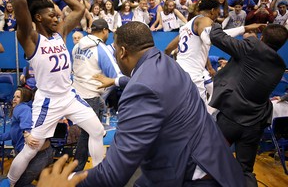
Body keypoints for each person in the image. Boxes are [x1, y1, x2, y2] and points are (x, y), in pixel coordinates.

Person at [72, 21, 246, 186]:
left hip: (195, 176)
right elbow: (148, 83)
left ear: (122, 52)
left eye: (115, 50)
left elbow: (113, 174)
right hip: (216, 161)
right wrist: (116, 81)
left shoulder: (140, 90)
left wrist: (69, 180)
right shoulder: (166, 62)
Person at [6, 0, 104, 186]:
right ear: (38, 18)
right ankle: (11, 181)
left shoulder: (60, 34)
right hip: (48, 101)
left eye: (57, 15)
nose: (56, 18)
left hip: (69, 95)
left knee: (97, 131)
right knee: (32, 147)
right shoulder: (30, 38)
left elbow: (78, 8)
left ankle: (99, 175)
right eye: (51, 15)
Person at [209, 23, 288, 186]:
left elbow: (216, 36)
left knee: (211, 158)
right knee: (245, 170)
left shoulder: (251, 47)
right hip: (255, 123)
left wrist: (215, 23)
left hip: (231, 118)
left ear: (262, 37)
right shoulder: (280, 66)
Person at [72, 19, 128, 172]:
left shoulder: (77, 46)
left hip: (77, 94)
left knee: (88, 133)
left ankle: (79, 168)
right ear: (104, 31)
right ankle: (94, 170)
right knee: (93, 133)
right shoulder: (100, 48)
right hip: (91, 96)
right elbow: (115, 76)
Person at [0, 87, 53, 187]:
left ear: (24, 99)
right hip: (43, 152)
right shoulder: (26, 109)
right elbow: (13, 132)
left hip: (38, 155)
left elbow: (26, 120)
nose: (14, 99)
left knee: (18, 184)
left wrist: (26, 133)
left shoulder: (22, 108)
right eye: (14, 96)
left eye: (18, 97)